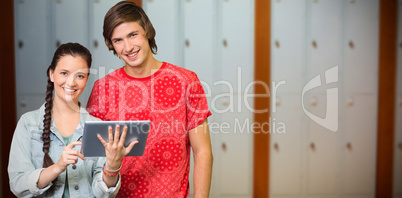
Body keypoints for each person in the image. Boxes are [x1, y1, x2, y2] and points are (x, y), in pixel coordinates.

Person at [86, 1, 213, 197]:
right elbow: (93, 159)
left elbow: (202, 151)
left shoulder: (186, 81)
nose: (128, 47)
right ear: (111, 44)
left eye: (133, 35)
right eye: (118, 40)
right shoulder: (103, 88)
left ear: (147, 31)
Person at [8, 43, 137, 198]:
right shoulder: (28, 123)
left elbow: (103, 194)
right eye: (64, 73)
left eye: (80, 76)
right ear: (51, 74)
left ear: (87, 79)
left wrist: (112, 167)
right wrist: (58, 167)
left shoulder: (97, 127)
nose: (71, 82)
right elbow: (18, 185)